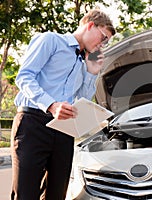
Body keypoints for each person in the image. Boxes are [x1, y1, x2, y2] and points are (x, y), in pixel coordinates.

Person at [10, 9, 116, 200]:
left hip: (63, 129)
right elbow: (24, 77)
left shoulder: (83, 61)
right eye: (103, 37)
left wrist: (91, 72)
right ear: (90, 25)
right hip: (33, 124)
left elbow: (81, 98)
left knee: (57, 194)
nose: (102, 44)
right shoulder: (50, 40)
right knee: (26, 193)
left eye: (105, 42)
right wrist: (51, 105)